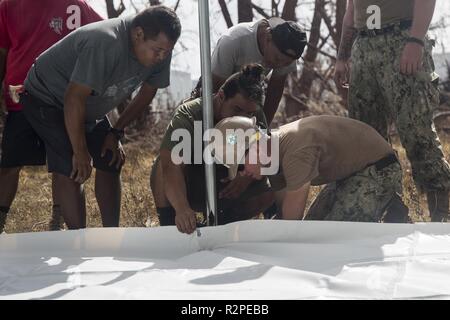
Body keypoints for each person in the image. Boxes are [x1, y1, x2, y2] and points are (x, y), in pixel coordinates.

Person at [21, 5, 181, 229]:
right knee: (73, 164)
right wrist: (80, 150)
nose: (162, 57)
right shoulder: (105, 42)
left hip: (86, 103)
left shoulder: (161, 46)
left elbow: (148, 91)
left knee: (110, 158)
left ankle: (110, 235)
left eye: (167, 51)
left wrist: (115, 132)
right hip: (47, 97)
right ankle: (80, 240)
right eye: (158, 50)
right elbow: (73, 99)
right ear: (138, 34)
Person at [334, 0, 450, 221]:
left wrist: (415, 41)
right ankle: (389, 208)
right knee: (365, 136)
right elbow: (351, 12)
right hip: (364, 45)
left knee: (416, 131)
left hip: (401, 40)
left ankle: (441, 215)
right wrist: (342, 57)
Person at [0, 0, 103, 233]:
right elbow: (2, 51)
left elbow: (104, 33)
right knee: (8, 165)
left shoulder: (76, 5)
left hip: (62, 100)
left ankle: (59, 223)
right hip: (22, 98)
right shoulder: (8, 6)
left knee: (63, 164)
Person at [212, 115, 409, 223]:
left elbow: (291, 224)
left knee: (330, 237)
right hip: (349, 176)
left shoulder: (296, 150)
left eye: (240, 166)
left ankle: (387, 201)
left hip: (380, 169)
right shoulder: (273, 153)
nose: (242, 174)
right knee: (313, 228)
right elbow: (283, 208)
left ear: (254, 147)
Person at [151, 64, 275, 235]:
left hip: (229, 186)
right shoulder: (189, 114)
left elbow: (266, 158)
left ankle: (224, 226)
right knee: (163, 163)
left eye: (248, 114)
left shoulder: (254, 117)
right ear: (221, 96)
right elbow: (171, 167)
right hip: (194, 183)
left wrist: (245, 177)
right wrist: (181, 208)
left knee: (273, 181)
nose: (242, 118)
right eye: (237, 110)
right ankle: (171, 224)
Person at [191, 17, 307, 124]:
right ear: (268, 38)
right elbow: (213, 89)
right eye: (277, 59)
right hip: (216, 98)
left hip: (246, 106)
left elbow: (274, 92)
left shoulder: (286, 55)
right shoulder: (233, 41)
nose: (280, 65)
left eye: (286, 63)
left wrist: (263, 127)